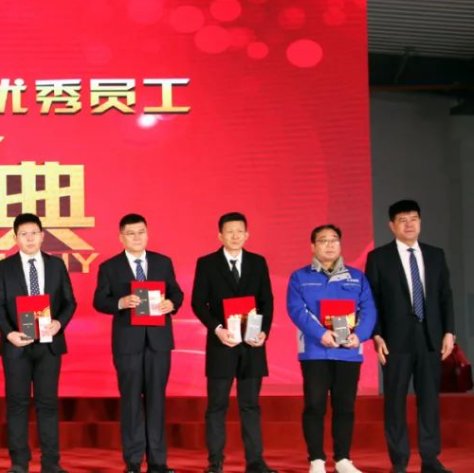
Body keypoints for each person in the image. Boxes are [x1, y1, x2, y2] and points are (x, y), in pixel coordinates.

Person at [364, 200, 455, 473]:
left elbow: (445, 295)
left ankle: (430, 459)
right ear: (392, 225)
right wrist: (376, 335)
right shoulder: (379, 258)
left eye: (413, 218)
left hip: (430, 338)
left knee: (429, 401)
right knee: (395, 402)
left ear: (420, 222)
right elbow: (371, 300)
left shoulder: (435, 255)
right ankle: (399, 461)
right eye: (402, 220)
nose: (409, 224)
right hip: (395, 341)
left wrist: (449, 331)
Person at [93, 213, 184, 473]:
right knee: (131, 401)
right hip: (127, 344)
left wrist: (171, 303)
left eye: (141, 232)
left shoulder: (162, 262)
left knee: (157, 401)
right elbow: (99, 300)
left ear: (147, 233)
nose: (137, 237)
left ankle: (157, 462)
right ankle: (133, 462)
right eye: (130, 233)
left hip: (159, 342)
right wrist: (120, 302)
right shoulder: (110, 267)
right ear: (121, 237)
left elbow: (176, 292)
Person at [190, 212, 278, 473]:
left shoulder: (258, 262)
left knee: (250, 405)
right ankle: (215, 461)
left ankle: (255, 462)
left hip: (252, 344)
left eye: (240, 231)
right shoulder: (207, 263)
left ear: (247, 234)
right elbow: (198, 303)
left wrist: (263, 332)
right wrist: (217, 329)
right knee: (217, 405)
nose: (235, 236)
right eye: (230, 231)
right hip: (222, 344)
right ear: (220, 235)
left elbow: (267, 301)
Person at [0, 213, 77, 473]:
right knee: (17, 404)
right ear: (15, 238)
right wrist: (9, 333)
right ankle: (19, 463)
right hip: (16, 344)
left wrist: (59, 323)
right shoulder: (4, 267)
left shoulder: (56, 265)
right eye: (24, 234)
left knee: (47, 404)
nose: (29, 238)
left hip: (49, 345)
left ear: (42, 235)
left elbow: (70, 302)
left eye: (34, 233)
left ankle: (51, 463)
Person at [286, 224, 376, 473]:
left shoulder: (357, 277)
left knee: (345, 406)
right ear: (312, 246)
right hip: (315, 351)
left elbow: (368, 309)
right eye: (323, 240)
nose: (329, 244)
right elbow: (297, 310)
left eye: (334, 239)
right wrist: (321, 334)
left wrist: (360, 336)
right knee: (314, 405)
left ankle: (343, 459)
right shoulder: (300, 277)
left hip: (348, 351)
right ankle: (316, 459)